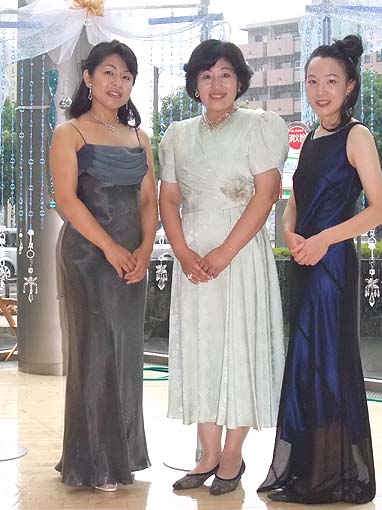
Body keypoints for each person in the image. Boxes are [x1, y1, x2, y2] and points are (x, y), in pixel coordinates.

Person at [258, 35, 382, 504]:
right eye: (312, 81)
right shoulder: (310, 138)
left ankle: (333, 474)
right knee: (306, 361)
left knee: (330, 361)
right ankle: (311, 469)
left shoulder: (358, 136)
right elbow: (296, 198)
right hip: (304, 260)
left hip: (332, 265)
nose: (320, 90)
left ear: (350, 85)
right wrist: (289, 231)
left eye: (331, 81)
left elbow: (379, 209)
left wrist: (323, 240)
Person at [159, 39, 288, 496]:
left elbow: (266, 195)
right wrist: (181, 251)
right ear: (194, 83)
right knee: (202, 349)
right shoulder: (177, 134)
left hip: (240, 256)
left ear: (240, 81)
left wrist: (224, 253)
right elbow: (168, 199)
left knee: (240, 347)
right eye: (207, 75)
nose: (216, 84)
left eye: (226, 75)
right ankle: (207, 453)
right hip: (193, 260)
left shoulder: (260, 126)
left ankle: (232, 455)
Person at [50, 40, 157, 492]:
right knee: (95, 351)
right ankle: (93, 461)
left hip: (132, 258)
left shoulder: (140, 137)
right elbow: (66, 200)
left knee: (126, 353)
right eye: (109, 73)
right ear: (88, 77)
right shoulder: (70, 133)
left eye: (126, 76)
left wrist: (146, 248)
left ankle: (122, 456)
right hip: (88, 257)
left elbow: (148, 200)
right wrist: (110, 247)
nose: (118, 83)